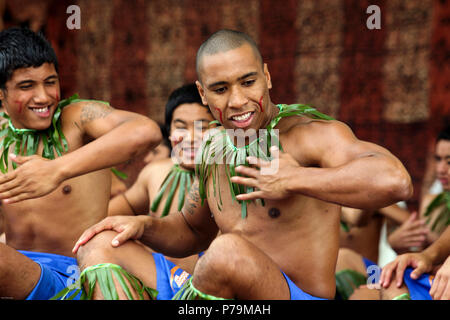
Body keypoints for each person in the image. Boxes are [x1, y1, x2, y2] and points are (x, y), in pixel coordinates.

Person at [72, 29, 412, 300]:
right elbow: (192, 231)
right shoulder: (213, 148)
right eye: (220, 89)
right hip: (222, 296)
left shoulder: (308, 135)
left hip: (290, 296)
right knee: (101, 245)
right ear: (203, 94)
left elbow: (395, 181)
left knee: (226, 253)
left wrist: (296, 178)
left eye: (248, 82)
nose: (237, 101)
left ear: (267, 76)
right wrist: (144, 225)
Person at [0, 27, 161, 300]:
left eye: (50, 82)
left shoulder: (77, 119)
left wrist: (56, 169)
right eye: (27, 86)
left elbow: (145, 131)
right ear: (1, 94)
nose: (44, 97)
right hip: (23, 276)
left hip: (81, 272)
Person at [108, 83, 215, 274]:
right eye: (180, 127)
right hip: (156, 278)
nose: (190, 137)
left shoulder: (230, 177)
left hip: (208, 283)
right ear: (169, 131)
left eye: (202, 128)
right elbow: (113, 212)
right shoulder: (155, 172)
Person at [379, 125, 450, 300]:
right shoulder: (432, 203)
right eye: (438, 159)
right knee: (391, 278)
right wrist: (398, 245)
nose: (440, 169)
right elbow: (421, 253)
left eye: (449, 161)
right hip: (434, 281)